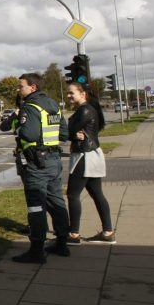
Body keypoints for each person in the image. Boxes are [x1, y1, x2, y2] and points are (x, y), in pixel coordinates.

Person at [10, 73, 70, 263]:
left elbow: (29, 134)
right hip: (54, 160)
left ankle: (36, 250)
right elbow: (64, 133)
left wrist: (18, 127)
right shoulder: (52, 104)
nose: (18, 90)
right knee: (57, 202)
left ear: (33, 87)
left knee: (36, 206)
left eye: (21, 86)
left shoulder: (30, 106)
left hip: (37, 163)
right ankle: (62, 244)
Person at [64, 82, 115, 243]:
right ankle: (108, 232)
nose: (69, 96)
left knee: (73, 194)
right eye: (68, 93)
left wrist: (72, 134)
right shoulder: (88, 109)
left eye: (72, 93)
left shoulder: (84, 110)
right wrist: (73, 134)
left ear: (83, 93)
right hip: (91, 154)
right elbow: (73, 132)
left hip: (84, 156)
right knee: (97, 194)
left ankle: (73, 235)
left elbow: (67, 131)